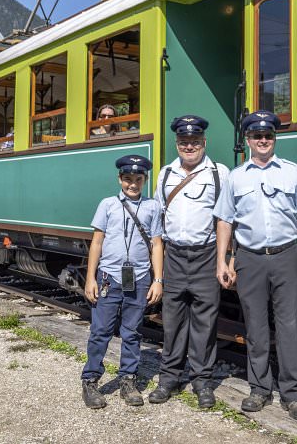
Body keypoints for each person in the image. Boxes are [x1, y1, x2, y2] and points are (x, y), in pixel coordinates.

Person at [213, 110, 297, 422]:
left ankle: (292, 395)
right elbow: (224, 221)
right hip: (248, 259)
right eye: (257, 135)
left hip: (287, 256)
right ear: (248, 140)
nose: (263, 140)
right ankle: (259, 390)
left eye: (268, 135)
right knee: (256, 327)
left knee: (287, 327)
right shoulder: (236, 176)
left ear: (275, 138)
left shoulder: (293, 173)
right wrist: (223, 259)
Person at [148, 115, 229, 409]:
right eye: (184, 142)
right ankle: (168, 378)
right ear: (177, 143)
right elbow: (158, 216)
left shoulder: (219, 173)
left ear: (204, 142)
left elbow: (225, 219)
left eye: (195, 141)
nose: (189, 146)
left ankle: (202, 382)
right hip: (175, 255)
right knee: (172, 321)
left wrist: (225, 259)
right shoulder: (165, 173)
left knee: (205, 323)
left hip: (206, 255)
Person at [81, 154, 164, 409]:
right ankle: (91, 380)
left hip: (139, 278)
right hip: (108, 277)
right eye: (127, 179)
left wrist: (158, 279)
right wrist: (90, 278)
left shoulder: (153, 207)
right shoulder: (107, 204)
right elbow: (97, 242)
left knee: (132, 332)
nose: (132, 184)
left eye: (138, 179)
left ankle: (128, 379)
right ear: (119, 179)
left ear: (145, 179)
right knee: (100, 331)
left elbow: (157, 244)